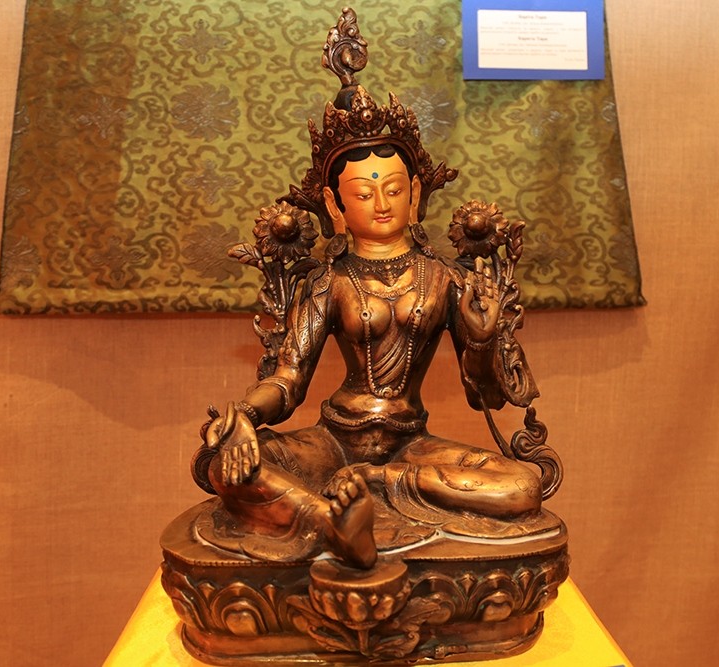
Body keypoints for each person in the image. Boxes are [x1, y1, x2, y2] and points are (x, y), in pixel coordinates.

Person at [197, 135, 547, 569]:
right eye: (364, 194)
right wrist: (245, 416)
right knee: (226, 465)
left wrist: (481, 338)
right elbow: (289, 377)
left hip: (410, 447)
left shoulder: (445, 280)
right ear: (335, 204)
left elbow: (486, 396)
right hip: (332, 442)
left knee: (522, 485)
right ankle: (333, 521)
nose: (381, 204)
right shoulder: (330, 281)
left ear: (414, 193)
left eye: (394, 189)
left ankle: (366, 489)